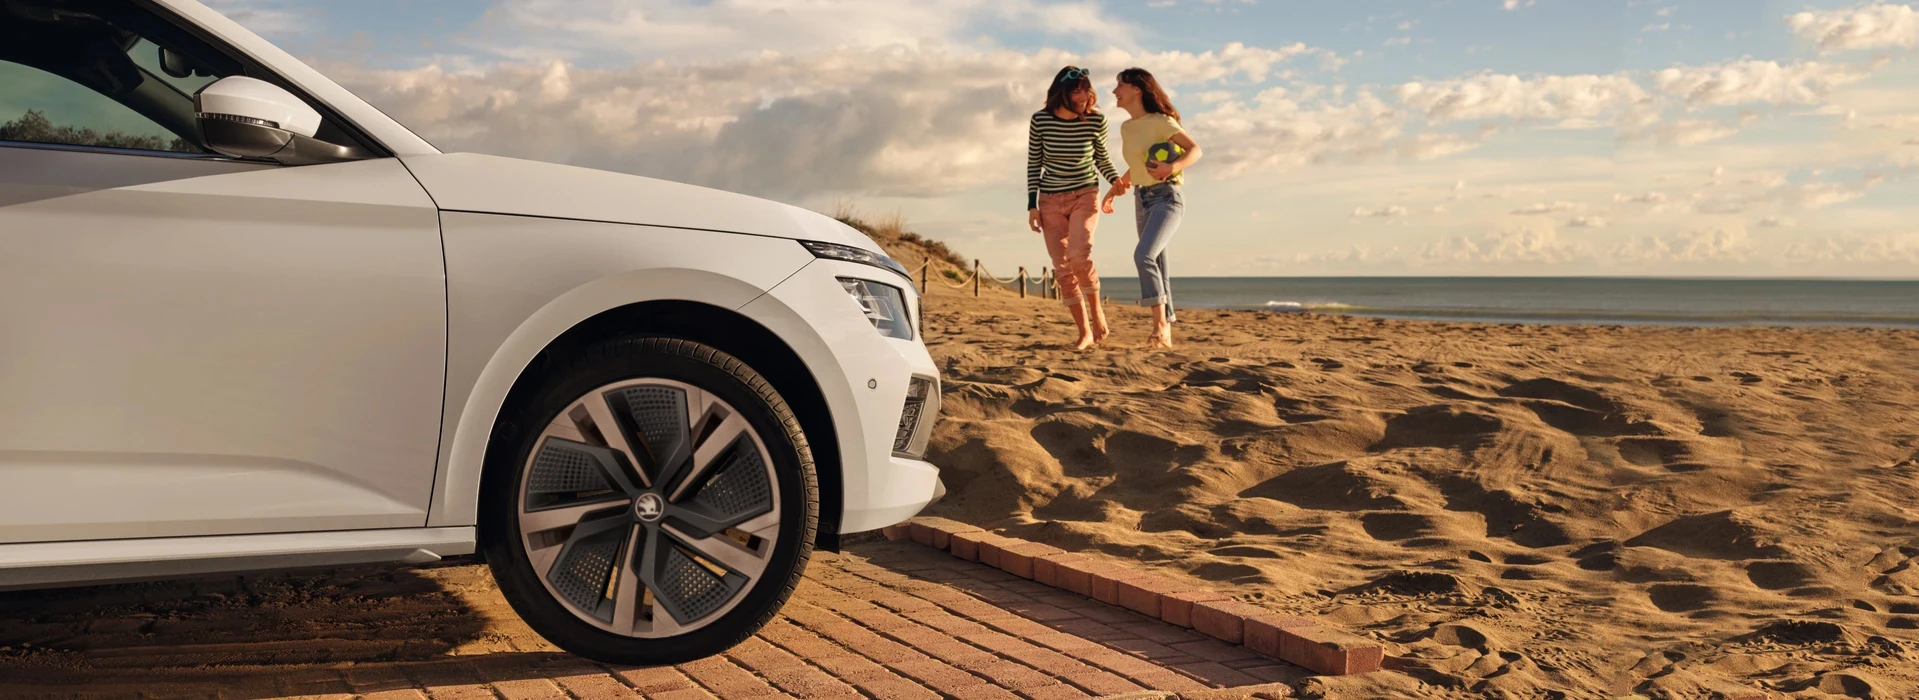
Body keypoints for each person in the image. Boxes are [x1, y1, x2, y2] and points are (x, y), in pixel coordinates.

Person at [1028, 65, 1126, 350]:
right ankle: (1083, 333)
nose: (1084, 95)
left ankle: (1097, 311)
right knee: (1062, 268)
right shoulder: (1040, 120)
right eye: (1076, 90)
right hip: (1049, 200)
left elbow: (1101, 157)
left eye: (1086, 89)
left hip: (1085, 194)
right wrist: (1032, 205)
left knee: (1078, 257)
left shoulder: (1096, 121)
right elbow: (1034, 163)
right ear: (1063, 93)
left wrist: (1115, 180)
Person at [1106, 67, 1202, 349]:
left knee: (1144, 256)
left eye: (1119, 85)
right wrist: (1115, 189)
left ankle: (1159, 326)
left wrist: (1172, 166)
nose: (1114, 91)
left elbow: (1195, 149)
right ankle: (1166, 333)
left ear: (1136, 89)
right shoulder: (1126, 128)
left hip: (1167, 198)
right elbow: (1136, 165)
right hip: (1141, 198)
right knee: (1158, 263)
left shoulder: (1162, 121)